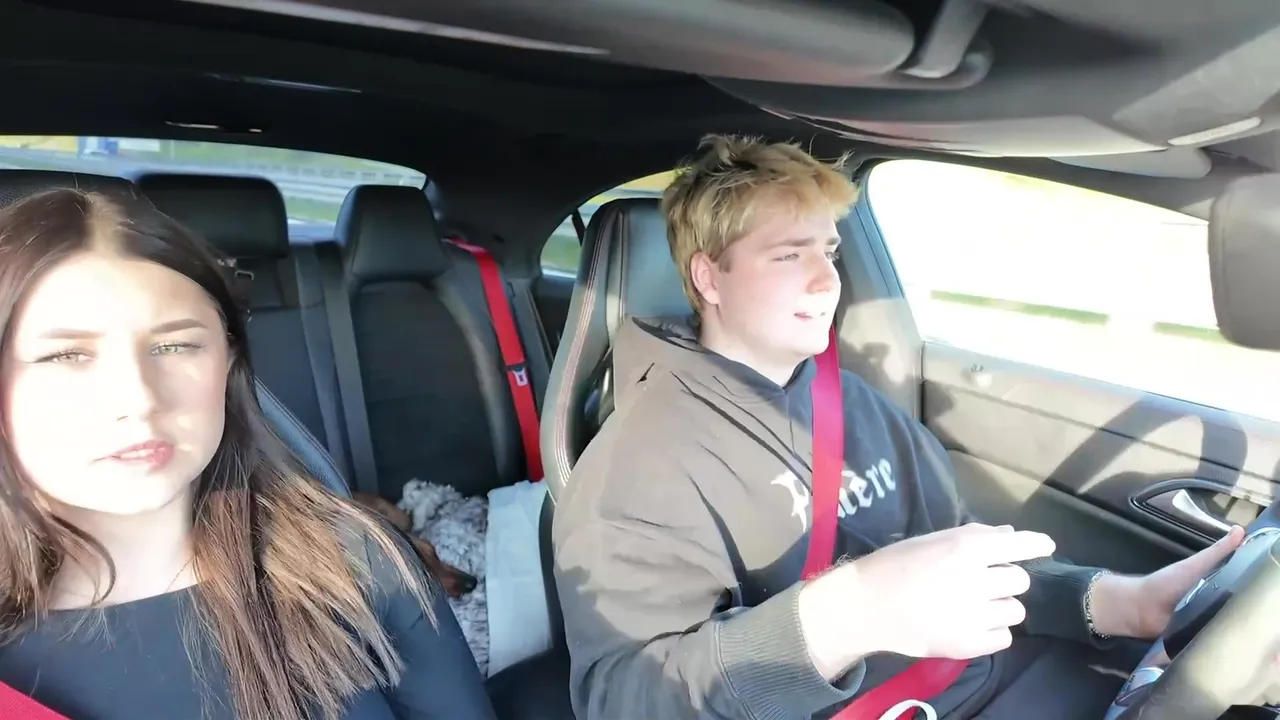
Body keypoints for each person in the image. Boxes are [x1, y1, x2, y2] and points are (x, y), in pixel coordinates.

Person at [551, 135, 1245, 720]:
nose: (827, 281)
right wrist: (846, 615)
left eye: (828, 251)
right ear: (709, 278)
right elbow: (626, 699)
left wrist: (1121, 604)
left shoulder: (853, 400)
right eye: (789, 255)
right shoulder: (640, 461)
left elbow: (958, 559)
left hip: (989, 677)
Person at [0, 187, 497, 720]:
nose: (138, 400)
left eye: (175, 345)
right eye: (65, 355)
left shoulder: (362, 562)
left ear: (230, 361)